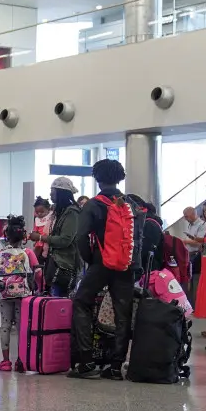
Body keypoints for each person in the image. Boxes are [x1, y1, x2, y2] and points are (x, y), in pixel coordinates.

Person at [69, 159, 134, 380]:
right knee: (122, 313)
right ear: (119, 177)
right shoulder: (129, 204)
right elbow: (138, 237)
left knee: (81, 302)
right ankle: (116, 366)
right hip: (125, 265)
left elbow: (81, 237)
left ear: (97, 179)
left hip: (100, 263)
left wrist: (91, 259)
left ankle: (86, 361)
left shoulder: (94, 204)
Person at [0, 216, 39, 372]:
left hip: (4, 294)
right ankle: (20, 360)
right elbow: (37, 272)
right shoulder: (28, 253)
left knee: (5, 326)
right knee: (20, 326)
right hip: (22, 295)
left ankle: (5, 362)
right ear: (23, 237)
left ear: (7, 236)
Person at [34, 177, 80, 297]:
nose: (50, 194)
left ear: (61, 193)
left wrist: (40, 238)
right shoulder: (59, 212)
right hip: (56, 263)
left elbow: (65, 240)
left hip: (65, 266)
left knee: (59, 303)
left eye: (52, 191)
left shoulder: (72, 213)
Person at [181, 205, 206, 308]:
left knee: (196, 281)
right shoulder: (189, 225)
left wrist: (184, 241)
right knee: (188, 281)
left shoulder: (203, 225)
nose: (185, 218)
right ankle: (189, 305)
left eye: (187, 216)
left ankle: (197, 305)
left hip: (197, 255)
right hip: (188, 255)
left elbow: (200, 242)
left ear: (193, 214)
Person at [32, 196, 53, 266]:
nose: (39, 214)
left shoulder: (51, 217)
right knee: (37, 250)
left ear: (48, 209)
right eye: (37, 212)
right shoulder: (37, 220)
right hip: (39, 240)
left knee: (45, 249)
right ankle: (36, 262)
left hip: (47, 239)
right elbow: (35, 230)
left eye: (42, 212)